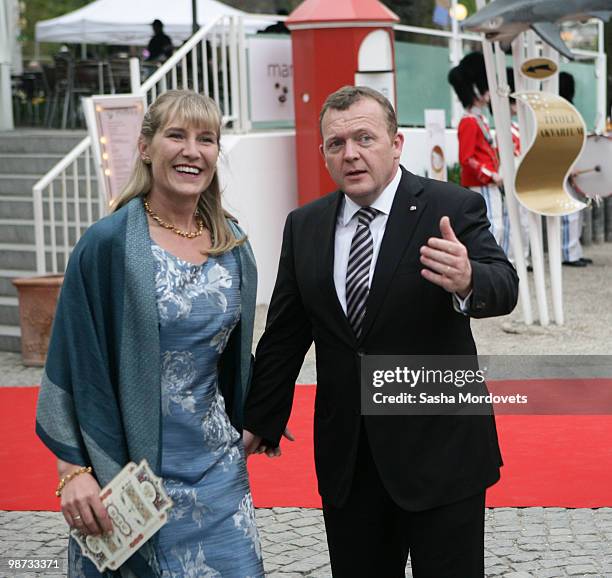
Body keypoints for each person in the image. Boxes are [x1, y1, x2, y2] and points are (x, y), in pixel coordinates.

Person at [243, 86, 519, 577]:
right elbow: (285, 334)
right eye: (336, 143)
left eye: (365, 138)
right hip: (349, 457)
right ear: (324, 154)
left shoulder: (448, 207)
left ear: (395, 144)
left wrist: (470, 279)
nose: (350, 154)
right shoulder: (304, 225)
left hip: (441, 452)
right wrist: (262, 415)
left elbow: (504, 284)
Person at [35, 90, 264, 577]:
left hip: (217, 472)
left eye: (206, 139)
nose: (192, 150)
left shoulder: (234, 244)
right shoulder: (107, 243)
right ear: (145, 147)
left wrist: (261, 410)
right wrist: (72, 470)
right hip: (126, 476)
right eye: (176, 135)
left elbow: (239, 358)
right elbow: (73, 360)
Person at [449, 52, 511, 255]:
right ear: (475, 89)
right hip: (481, 184)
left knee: (497, 228)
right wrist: (491, 175)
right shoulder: (469, 121)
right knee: (492, 229)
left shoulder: (478, 119)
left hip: (488, 183)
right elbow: (466, 159)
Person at [559, 71, 591, 267]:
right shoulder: (562, 112)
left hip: (572, 165)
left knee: (576, 212)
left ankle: (574, 250)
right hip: (565, 168)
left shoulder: (567, 111)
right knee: (569, 213)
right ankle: (568, 254)